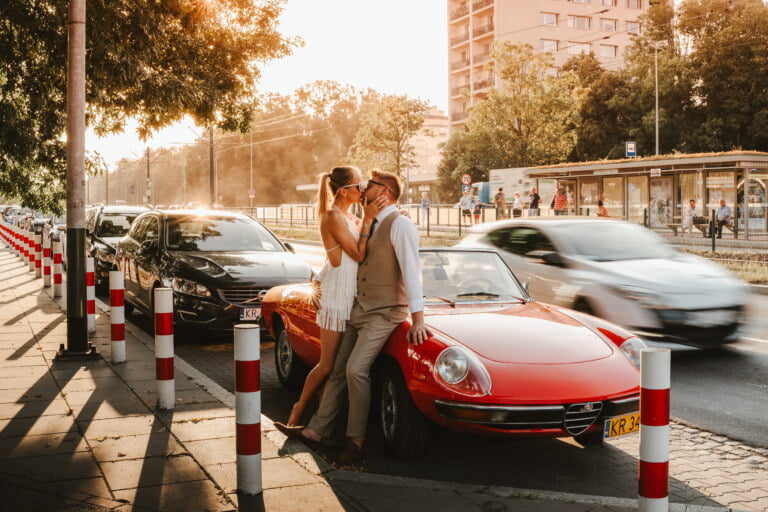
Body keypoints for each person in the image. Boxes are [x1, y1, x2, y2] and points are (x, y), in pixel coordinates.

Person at [276, 170, 430, 465]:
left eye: (368, 186)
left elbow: (413, 273)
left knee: (355, 370)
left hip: (384, 312)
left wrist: (418, 319)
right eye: (360, 185)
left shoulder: (401, 225)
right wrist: (319, 281)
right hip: (357, 309)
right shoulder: (367, 221)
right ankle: (315, 431)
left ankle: (356, 441)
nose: (363, 190)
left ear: (384, 191)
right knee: (335, 371)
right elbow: (346, 260)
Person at [279, 166, 385, 427]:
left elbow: (336, 259)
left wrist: (318, 279)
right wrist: (368, 219)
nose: (362, 190)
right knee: (326, 365)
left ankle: (324, 422)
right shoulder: (332, 216)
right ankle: (297, 410)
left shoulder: (350, 217)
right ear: (343, 190)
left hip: (350, 294)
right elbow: (357, 255)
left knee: (338, 368)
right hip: (337, 298)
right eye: (359, 186)